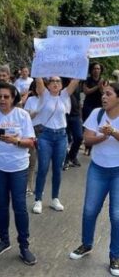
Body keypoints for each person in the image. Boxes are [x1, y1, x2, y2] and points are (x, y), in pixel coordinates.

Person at [0, 82, 37, 265]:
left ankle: (24, 246)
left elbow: (31, 142)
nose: (2, 100)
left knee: (19, 206)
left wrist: (16, 141)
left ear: (14, 98)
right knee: (1, 205)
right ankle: (4, 240)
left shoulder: (22, 115)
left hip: (19, 167)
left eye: (6, 96)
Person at [69, 83, 119, 276]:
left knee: (116, 216)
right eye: (103, 94)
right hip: (97, 169)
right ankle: (86, 244)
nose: (104, 97)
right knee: (90, 210)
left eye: (109, 94)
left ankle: (115, 255)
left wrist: (112, 132)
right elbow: (86, 140)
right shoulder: (97, 113)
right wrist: (103, 137)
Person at [32, 77, 79, 214]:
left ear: (61, 84)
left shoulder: (64, 95)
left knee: (58, 169)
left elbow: (75, 81)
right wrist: (38, 60)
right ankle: (38, 199)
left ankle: (55, 198)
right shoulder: (44, 94)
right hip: (45, 136)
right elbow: (39, 80)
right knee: (43, 168)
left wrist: (84, 58)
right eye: (52, 81)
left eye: (58, 81)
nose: (55, 83)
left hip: (61, 137)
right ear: (48, 84)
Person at [82, 62, 105, 156]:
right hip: (88, 105)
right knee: (89, 126)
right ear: (91, 70)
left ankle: (92, 147)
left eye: (98, 69)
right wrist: (97, 86)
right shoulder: (87, 80)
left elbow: (104, 93)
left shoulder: (103, 80)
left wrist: (101, 87)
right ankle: (87, 147)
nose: (96, 70)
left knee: (97, 126)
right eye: (94, 68)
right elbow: (86, 91)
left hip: (99, 105)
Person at [23, 80, 40, 195]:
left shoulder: (48, 99)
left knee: (42, 162)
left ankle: (38, 187)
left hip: (45, 132)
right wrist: (37, 112)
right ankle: (29, 185)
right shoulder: (30, 100)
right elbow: (26, 117)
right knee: (31, 161)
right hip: (33, 131)